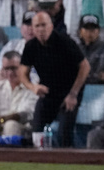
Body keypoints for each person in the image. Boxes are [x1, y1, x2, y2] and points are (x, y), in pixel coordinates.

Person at [19, 10, 90, 148]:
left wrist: (73, 94)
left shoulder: (64, 41)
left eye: (43, 25)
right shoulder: (31, 46)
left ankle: (68, 161)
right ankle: (40, 161)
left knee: (64, 132)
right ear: (33, 29)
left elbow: (85, 66)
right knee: (36, 130)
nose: (41, 29)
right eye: (37, 26)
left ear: (51, 26)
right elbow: (22, 73)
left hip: (68, 92)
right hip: (48, 91)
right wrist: (33, 87)